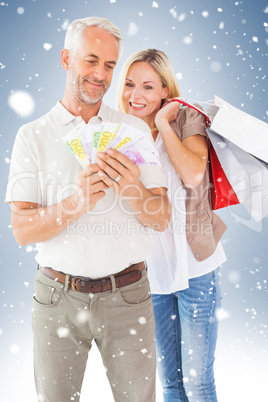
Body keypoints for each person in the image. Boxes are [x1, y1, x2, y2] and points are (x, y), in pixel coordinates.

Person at [5, 20, 171, 402]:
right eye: (91, 60)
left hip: (130, 297)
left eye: (110, 65)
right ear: (66, 59)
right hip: (56, 299)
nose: (100, 75)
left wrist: (132, 189)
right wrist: (74, 204)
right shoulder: (32, 136)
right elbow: (21, 230)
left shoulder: (132, 130)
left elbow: (161, 217)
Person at [117, 49, 227, 402]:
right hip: (152, 276)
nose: (136, 96)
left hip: (197, 271)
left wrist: (164, 125)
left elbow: (194, 174)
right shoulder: (121, 134)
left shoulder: (185, 120)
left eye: (148, 87)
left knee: (198, 384)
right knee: (169, 384)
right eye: (130, 85)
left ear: (165, 90)